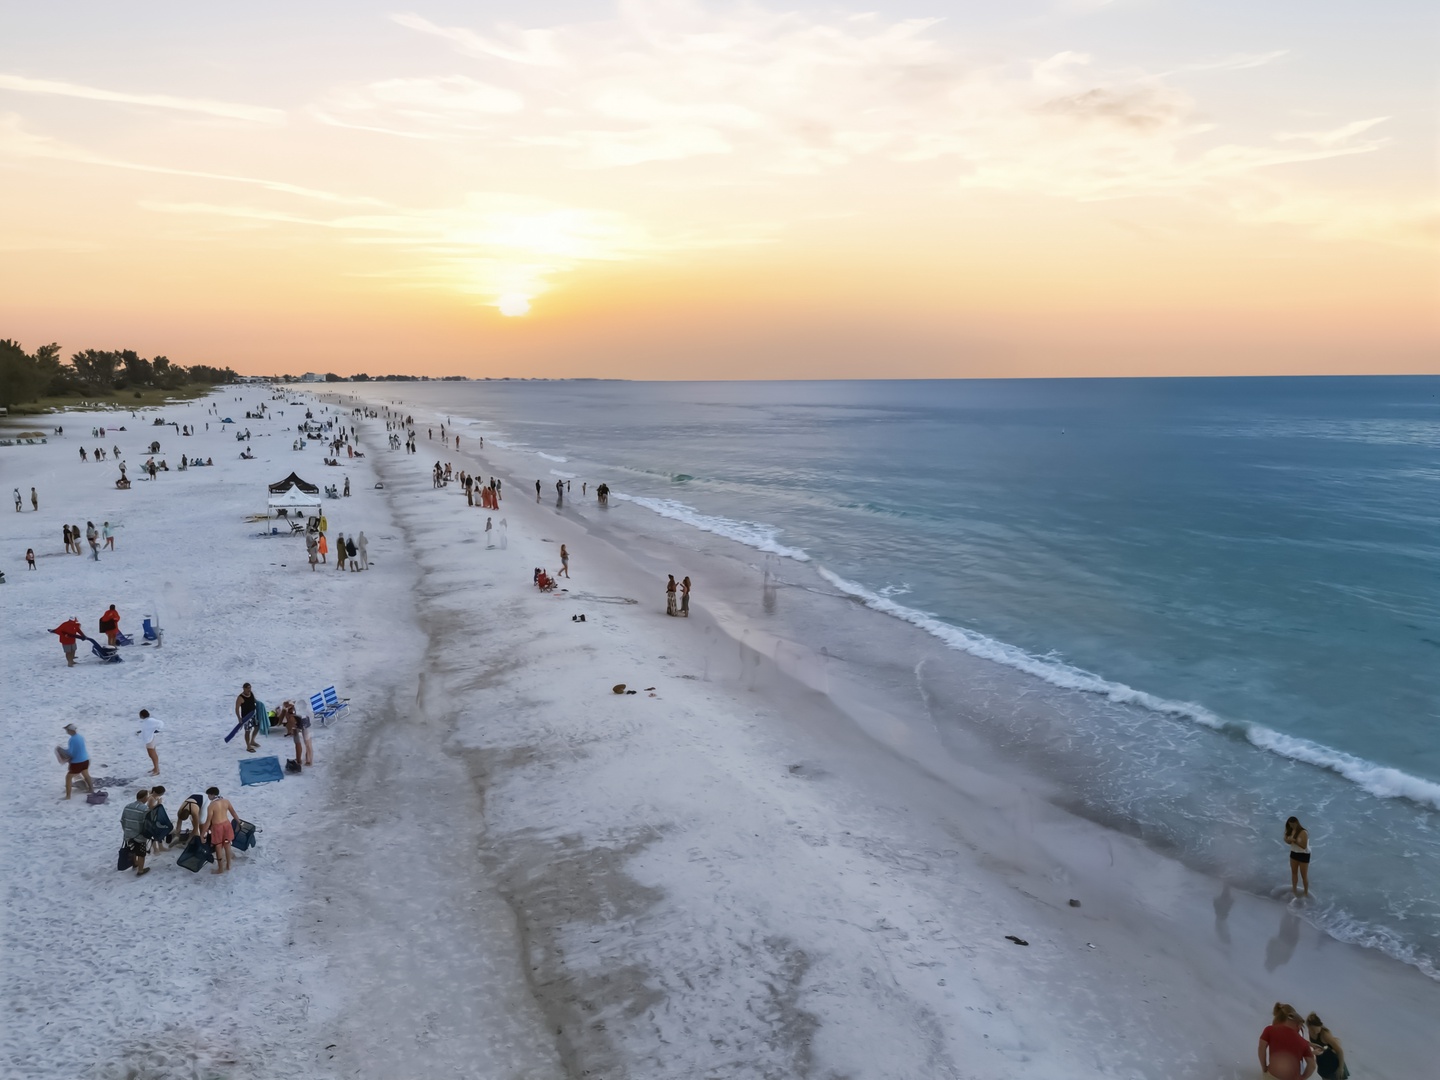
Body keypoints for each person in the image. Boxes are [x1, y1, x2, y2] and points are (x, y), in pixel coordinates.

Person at [1259, 1003, 1316, 1080]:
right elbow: (1312, 1065)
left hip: (1272, 1076)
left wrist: (1264, 1067)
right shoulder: (1303, 1042)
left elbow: (1261, 1049)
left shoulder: (1269, 1030)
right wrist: (1302, 1078)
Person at [202, 787, 241, 875]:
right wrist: (239, 822)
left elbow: (208, 821)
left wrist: (202, 834)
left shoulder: (211, 806)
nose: (208, 796)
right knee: (227, 845)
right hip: (227, 825)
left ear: (212, 794)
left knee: (218, 846)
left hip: (217, 828)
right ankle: (228, 865)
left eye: (208, 795)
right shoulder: (226, 801)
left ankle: (220, 869)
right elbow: (233, 812)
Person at [1304, 1014, 1348, 1079]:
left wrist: (1341, 1068)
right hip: (1323, 1065)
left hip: (1334, 1065)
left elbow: (1339, 1051)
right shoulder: (1310, 1032)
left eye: (1318, 1029)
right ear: (1309, 1026)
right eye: (1313, 1029)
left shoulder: (1325, 1034)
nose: (1316, 1031)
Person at [120, 790, 152, 876]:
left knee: (132, 849)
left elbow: (122, 820)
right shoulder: (145, 809)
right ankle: (140, 870)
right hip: (139, 835)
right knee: (141, 853)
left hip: (128, 834)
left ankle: (135, 863)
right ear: (145, 798)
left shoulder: (127, 806)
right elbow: (146, 824)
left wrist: (126, 831)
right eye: (147, 796)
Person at [61, 722, 93, 798]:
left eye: (67, 730)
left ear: (71, 731)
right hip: (86, 760)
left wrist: (61, 750)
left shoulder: (72, 739)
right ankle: (91, 789)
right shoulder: (80, 737)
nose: (66, 732)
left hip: (77, 763)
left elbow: (70, 753)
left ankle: (68, 796)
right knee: (86, 774)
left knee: (68, 777)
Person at [1285, 816, 1311, 896]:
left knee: (1304, 876)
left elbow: (1304, 846)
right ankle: (1294, 890)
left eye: (1293, 825)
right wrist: (1288, 840)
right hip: (1294, 853)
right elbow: (1286, 840)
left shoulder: (1303, 832)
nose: (1292, 826)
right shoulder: (1289, 830)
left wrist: (1295, 841)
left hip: (1304, 854)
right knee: (1294, 873)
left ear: (1297, 823)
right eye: (1290, 825)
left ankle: (1306, 892)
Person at [137, 709, 163, 775]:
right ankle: (155, 768)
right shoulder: (147, 721)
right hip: (151, 738)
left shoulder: (150, 720)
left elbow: (160, 723)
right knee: (152, 753)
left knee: (152, 754)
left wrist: (157, 730)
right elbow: (147, 729)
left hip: (151, 739)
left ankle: (157, 770)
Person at [236, 683, 261, 753]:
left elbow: (254, 701)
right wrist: (239, 718)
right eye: (247, 688)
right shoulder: (240, 697)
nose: (249, 689)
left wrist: (261, 705)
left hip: (253, 714)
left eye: (250, 688)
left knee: (257, 727)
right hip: (246, 717)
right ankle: (248, 746)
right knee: (248, 731)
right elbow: (237, 708)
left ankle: (252, 741)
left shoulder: (251, 693)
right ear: (244, 688)